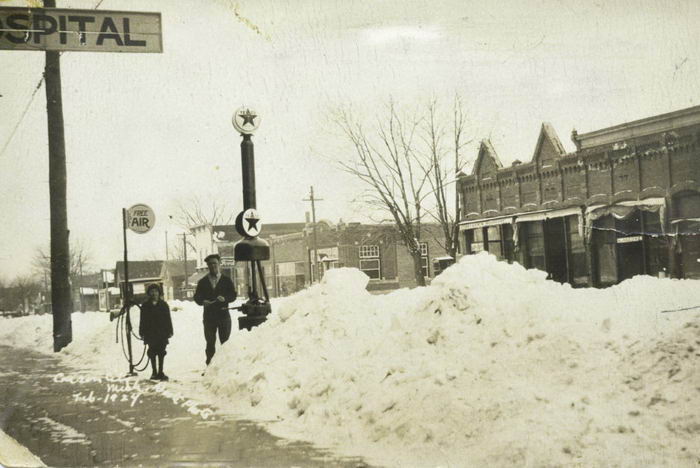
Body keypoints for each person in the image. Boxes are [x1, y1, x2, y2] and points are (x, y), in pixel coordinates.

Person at [194, 254, 237, 365]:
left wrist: (225, 298)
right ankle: (210, 367)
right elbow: (197, 297)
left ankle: (225, 367)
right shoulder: (202, 282)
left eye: (215, 263)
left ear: (219, 264)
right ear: (207, 266)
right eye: (210, 264)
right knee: (210, 343)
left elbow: (233, 295)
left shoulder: (226, 280)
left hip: (223, 317)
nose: (213, 266)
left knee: (225, 343)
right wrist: (203, 302)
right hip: (209, 318)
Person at [139, 284, 173, 380]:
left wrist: (170, 331)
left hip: (162, 333)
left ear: (159, 293)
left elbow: (168, 319)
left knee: (161, 352)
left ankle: (160, 372)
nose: (154, 293)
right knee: (152, 352)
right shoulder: (145, 306)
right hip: (150, 333)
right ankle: (154, 372)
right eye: (152, 291)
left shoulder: (164, 305)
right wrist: (142, 333)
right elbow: (142, 321)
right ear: (149, 293)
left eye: (156, 291)